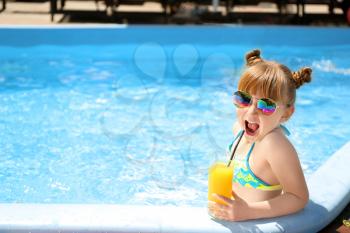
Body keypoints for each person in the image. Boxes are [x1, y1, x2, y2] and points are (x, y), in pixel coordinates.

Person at [208, 49, 311, 221]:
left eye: (266, 106)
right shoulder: (238, 130)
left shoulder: (274, 145)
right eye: (244, 99)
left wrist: (248, 211)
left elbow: (299, 197)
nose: (251, 112)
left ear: (286, 114)